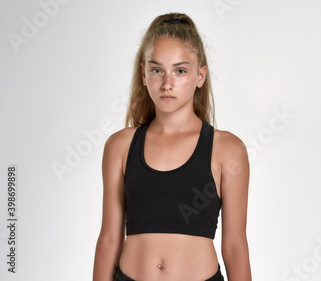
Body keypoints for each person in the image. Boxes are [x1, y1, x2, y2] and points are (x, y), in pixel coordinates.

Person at [92, 12, 251, 281]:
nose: (167, 83)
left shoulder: (227, 149)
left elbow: (235, 245)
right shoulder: (120, 146)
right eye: (157, 70)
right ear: (143, 74)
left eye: (180, 71)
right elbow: (109, 238)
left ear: (200, 76)